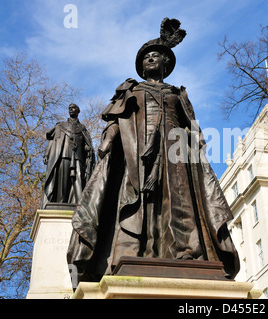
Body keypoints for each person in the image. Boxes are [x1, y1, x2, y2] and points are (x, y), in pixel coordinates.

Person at [67, 18, 239, 282]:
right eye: (146, 56)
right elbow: (117, 120)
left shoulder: (176, 93)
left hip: (175, 149)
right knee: (138, 198)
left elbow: (191, 126)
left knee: (179, 200)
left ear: (165, 63)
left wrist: (196, 144)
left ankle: (185, 252)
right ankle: (134, 250)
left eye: (155, 55)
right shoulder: (132, 90)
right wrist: (107, 141)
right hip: (137, 150)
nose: (150, 59)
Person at [42, 103, 95, 207]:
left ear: (78, 111)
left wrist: (87, 148)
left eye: (73, 108)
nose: (71, 109)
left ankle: (80, 205)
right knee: (63, 181)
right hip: (64, 155)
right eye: (69, 108)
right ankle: (61, 203)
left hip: (78, 158)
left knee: (78, 182)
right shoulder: (60, 126)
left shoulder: (82, 128)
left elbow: (87, 144)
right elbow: (52, 141)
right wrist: (46, 154)